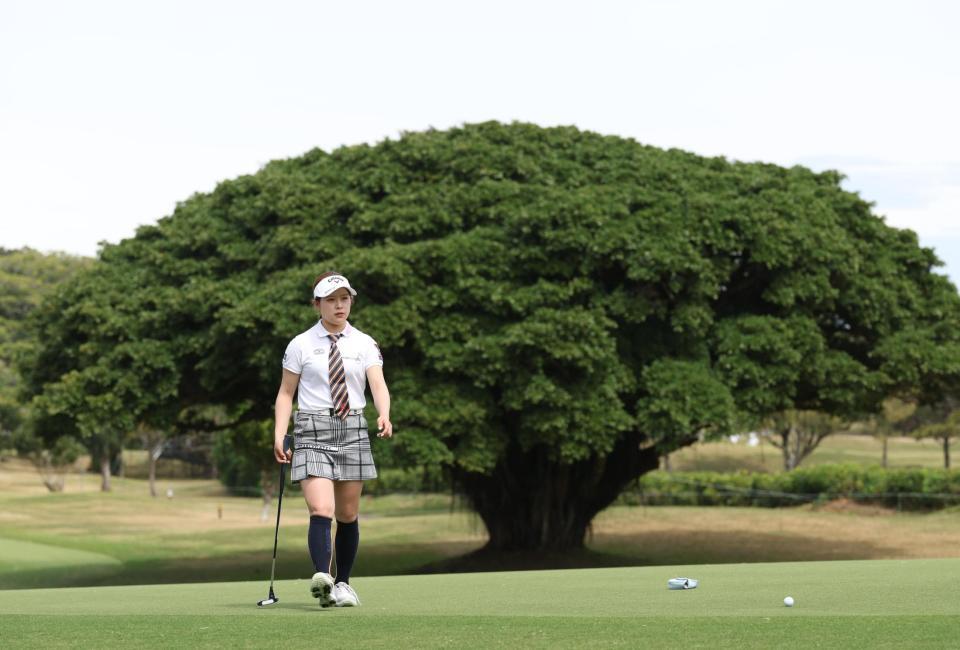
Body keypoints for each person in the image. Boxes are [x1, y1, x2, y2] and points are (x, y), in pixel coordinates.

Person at [274, 271, 393, 608]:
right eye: (331, 300)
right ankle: (322, 578)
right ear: (317, 304)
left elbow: (378, 385)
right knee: (321, 508)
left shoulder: (364, 343)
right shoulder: (300, 344)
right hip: (311, 427)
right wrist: (279, 433)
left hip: (353, 426)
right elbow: (285, 393)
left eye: (345, 298)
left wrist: (383, 413)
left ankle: (342, 583)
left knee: (348, 513)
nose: (340, 305)